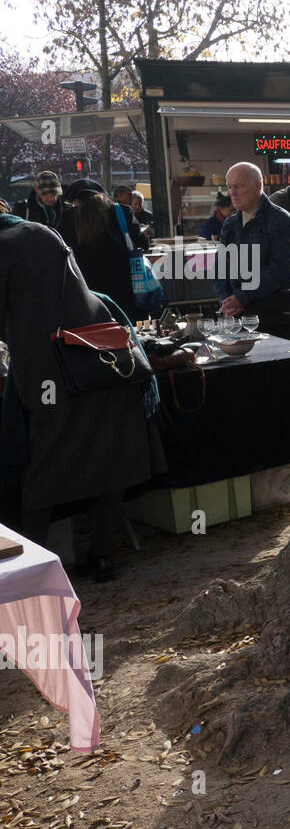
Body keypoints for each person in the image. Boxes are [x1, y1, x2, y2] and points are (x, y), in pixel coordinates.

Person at [0, 211, 164, 580]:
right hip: (101, 359)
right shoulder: (39, 231)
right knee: (109, 461)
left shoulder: (7, 244)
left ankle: (32, 572)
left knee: (45, 472)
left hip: (54, 370)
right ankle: (100, 556)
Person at [216, 162, 290, 340]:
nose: (232, 192)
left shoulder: (281, 220)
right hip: (237, 316)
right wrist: (226, 301)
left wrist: (241, 298)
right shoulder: (230, 224)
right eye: (229, 186)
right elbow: (220, 268)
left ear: (258, 186)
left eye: (238, 186)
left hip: (274, 315)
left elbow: (279, 271)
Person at [70, 192, 140, 322]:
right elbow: (139, 240)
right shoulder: (120, 212)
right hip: (122, 280)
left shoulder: (73, 217)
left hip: (90, 285)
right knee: (125, 322)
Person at [60, 179, 148, 252]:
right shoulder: (122, 211)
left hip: (80, 272)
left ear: (76, 201)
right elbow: (141, 243)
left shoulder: (68, 216)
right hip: (119, 270)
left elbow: (61, 245)